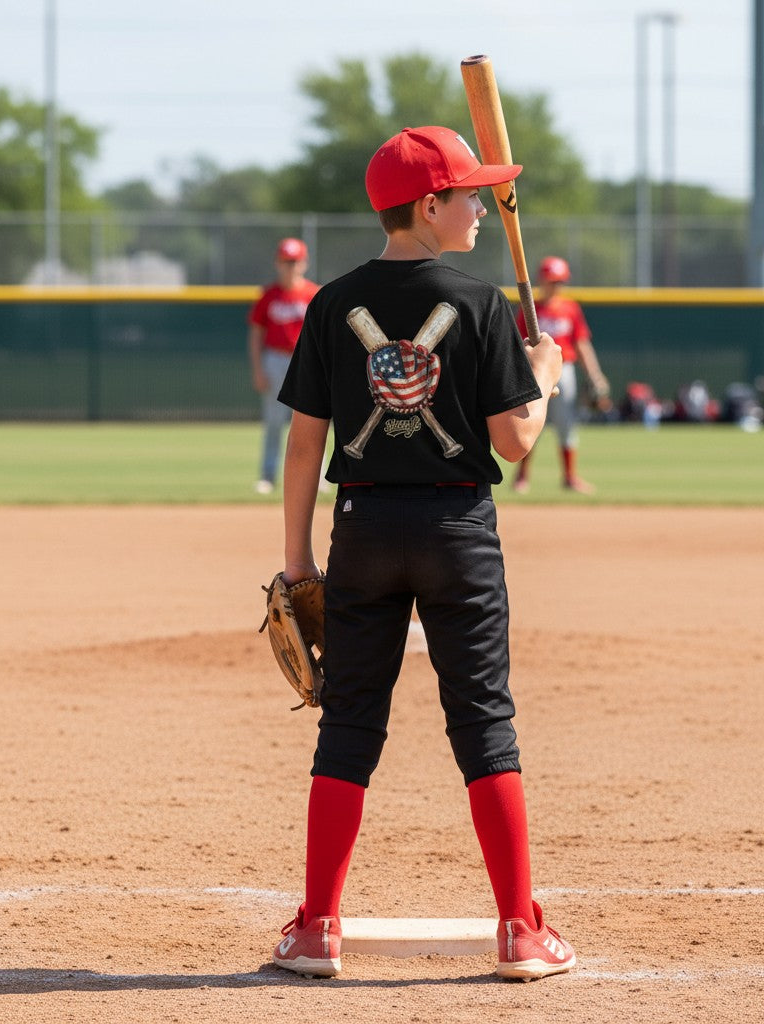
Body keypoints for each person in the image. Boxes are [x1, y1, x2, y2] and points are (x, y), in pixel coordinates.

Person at [269, 125, 576, 982]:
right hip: (457, 533)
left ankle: (317, 930)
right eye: (468, 193)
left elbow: (304, 447)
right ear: (429, 204)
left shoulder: (334, 303)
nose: (480, 206)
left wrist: (298, 564)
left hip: (363, 528)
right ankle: (521, 930)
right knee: (483, 721)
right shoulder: (478, 305)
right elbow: (516, 442)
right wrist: (543, 372)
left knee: (349, 723)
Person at [513, 256, 611, 494]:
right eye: (551, 280)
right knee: (533, 423)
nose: (555, 285)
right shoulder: (530, 307)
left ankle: (569, 477)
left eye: (559, 281)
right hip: (535, 371)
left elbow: (582, 344)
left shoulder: (570, 308)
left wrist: (595, 375)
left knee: (566, 425)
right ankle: (522, 477)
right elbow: (516, 343)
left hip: (564, 369)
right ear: (541, 280)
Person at [248, 237, 320, 494]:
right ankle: (268, 476)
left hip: (306, 361)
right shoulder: (269, 295)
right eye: (285, 261)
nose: (290, 266)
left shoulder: (313, 293)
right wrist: (258, 368)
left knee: (313, 421)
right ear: (278, 263)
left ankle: (317, 477)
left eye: (294, 261)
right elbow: (256, 334)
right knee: (274, 421)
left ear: (304, 263)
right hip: (275, 359)